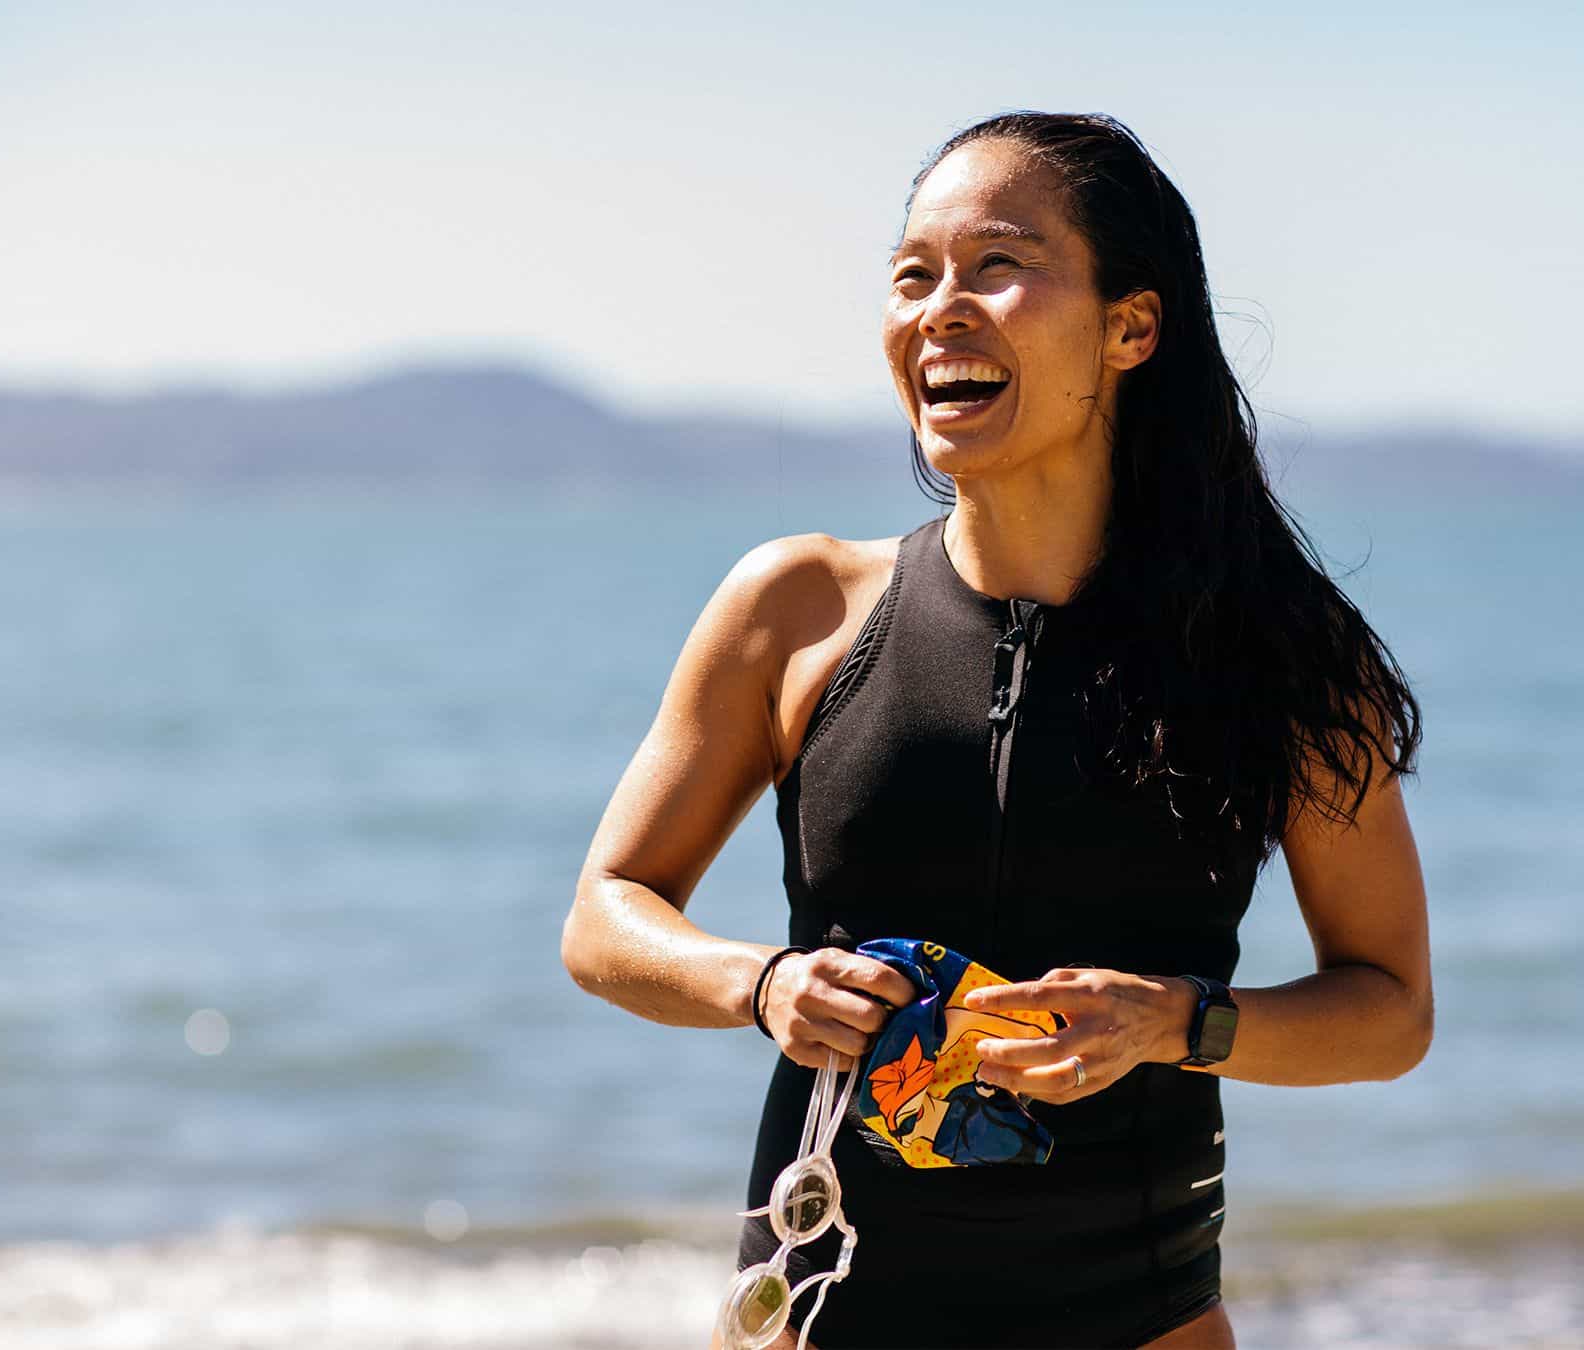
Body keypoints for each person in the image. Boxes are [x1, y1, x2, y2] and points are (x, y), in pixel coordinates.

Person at [562, 110, 1433, 1349]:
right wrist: (763, 984)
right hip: (818, 1315)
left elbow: (1391, 1009)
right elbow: (605, 914)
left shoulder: (1276, 659)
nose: (940, 308)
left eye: (998, 265)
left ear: (1132, 327)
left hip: (1137, 1324)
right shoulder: (796, 610)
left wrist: (1180, 1022)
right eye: (914, 276)